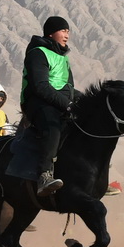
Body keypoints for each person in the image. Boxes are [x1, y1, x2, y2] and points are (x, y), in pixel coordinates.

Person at [21, 16, 74, 196]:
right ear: (51, 33)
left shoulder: (63, 58)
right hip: (38, 103)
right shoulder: (38, 53)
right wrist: (67, 105)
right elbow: (40, 86)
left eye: (68, 31)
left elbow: (69, 88)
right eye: (63, 30)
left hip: (58, 102)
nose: (67, 35)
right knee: (53, 127)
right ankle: (44, 175)